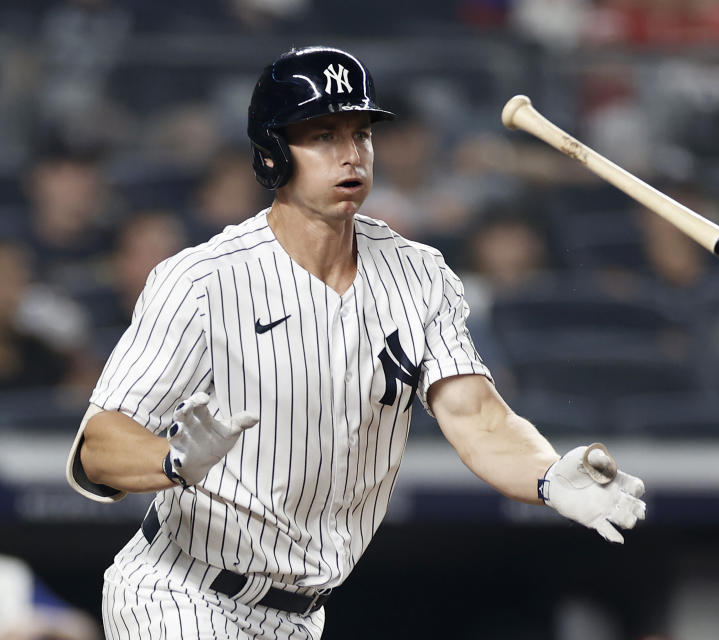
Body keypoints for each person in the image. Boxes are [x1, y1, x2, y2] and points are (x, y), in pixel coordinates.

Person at [64, 46, 646, 639]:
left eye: (360, 133)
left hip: (301, 616)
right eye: (322, 135)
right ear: (272, 154)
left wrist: (546, 475)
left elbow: (479, 417)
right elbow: (97, 447)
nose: (350, 154)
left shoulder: (418, 274)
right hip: (181, 592)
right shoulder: (203, 280)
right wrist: (174, 461)